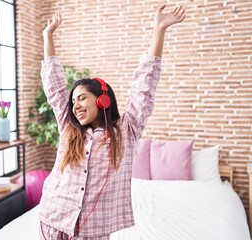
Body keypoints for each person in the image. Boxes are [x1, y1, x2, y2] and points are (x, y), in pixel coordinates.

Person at [39, 4, 186, 240]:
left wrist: (159, 30)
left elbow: (144, 89)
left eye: (82, 98)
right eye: (73, 100)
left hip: (93, 230)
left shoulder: (126, 131)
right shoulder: (68, 126)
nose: (75, 105)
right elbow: (54, 87)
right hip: (53, 218)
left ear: (103, 99)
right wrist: (48, 35)